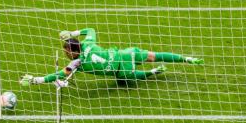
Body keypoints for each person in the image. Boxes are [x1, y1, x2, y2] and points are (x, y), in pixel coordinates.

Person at [20, 28, 203, 86]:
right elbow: (90, 30)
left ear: (71, 52)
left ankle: (153, 72)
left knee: (127, 78)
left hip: (121, 70)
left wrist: (35, 80)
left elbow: (59, 75)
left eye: (65, 50)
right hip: (125, 53)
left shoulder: (77, 62)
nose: (64, 52)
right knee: (154, 55)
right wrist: (73, 32)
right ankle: (186, 59)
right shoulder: (88, 44)